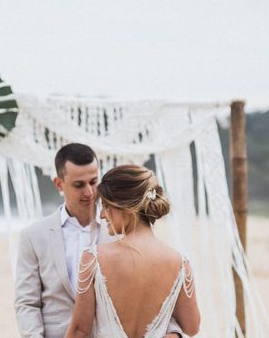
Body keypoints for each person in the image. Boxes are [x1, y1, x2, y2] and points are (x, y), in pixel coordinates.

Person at [14, 144, 184, 338]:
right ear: (59, 184)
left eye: (93, 181)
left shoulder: (124, 229)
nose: (89, 192)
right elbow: (27, 303)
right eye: (79, 185)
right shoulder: (33, 236)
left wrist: (173, 332)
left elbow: (153, 292)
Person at [65, 165, 200, 338]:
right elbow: (192, 327)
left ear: (126, 207)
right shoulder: (179, 263)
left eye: (106, 206)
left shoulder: (93, 259)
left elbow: (79, 331)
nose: (102, 215)